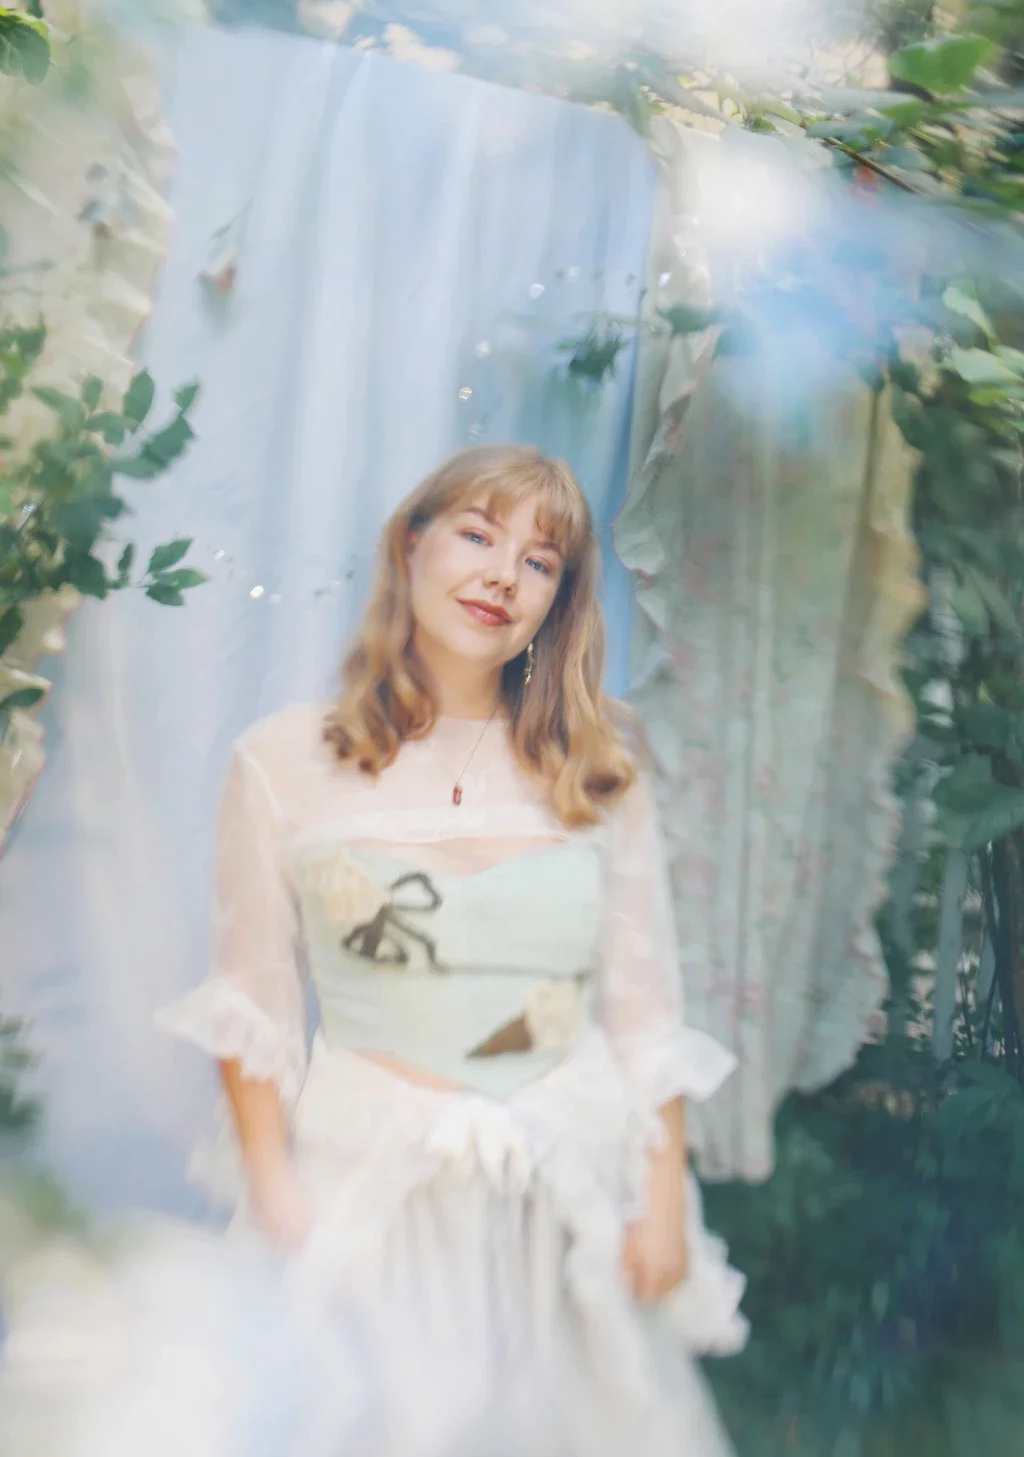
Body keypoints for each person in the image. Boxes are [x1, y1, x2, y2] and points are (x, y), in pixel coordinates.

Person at [0, 445, 744, 1457]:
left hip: (562, 1204)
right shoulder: (284, 760)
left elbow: (645, 1009)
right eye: (477, 535)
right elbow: (253, 1003)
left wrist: (658, 1206)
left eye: (539, 562)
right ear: (411, 546)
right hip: (366, 1193)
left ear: (559, 600)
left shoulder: (598, 771)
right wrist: (276, 1191)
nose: (502, 576)